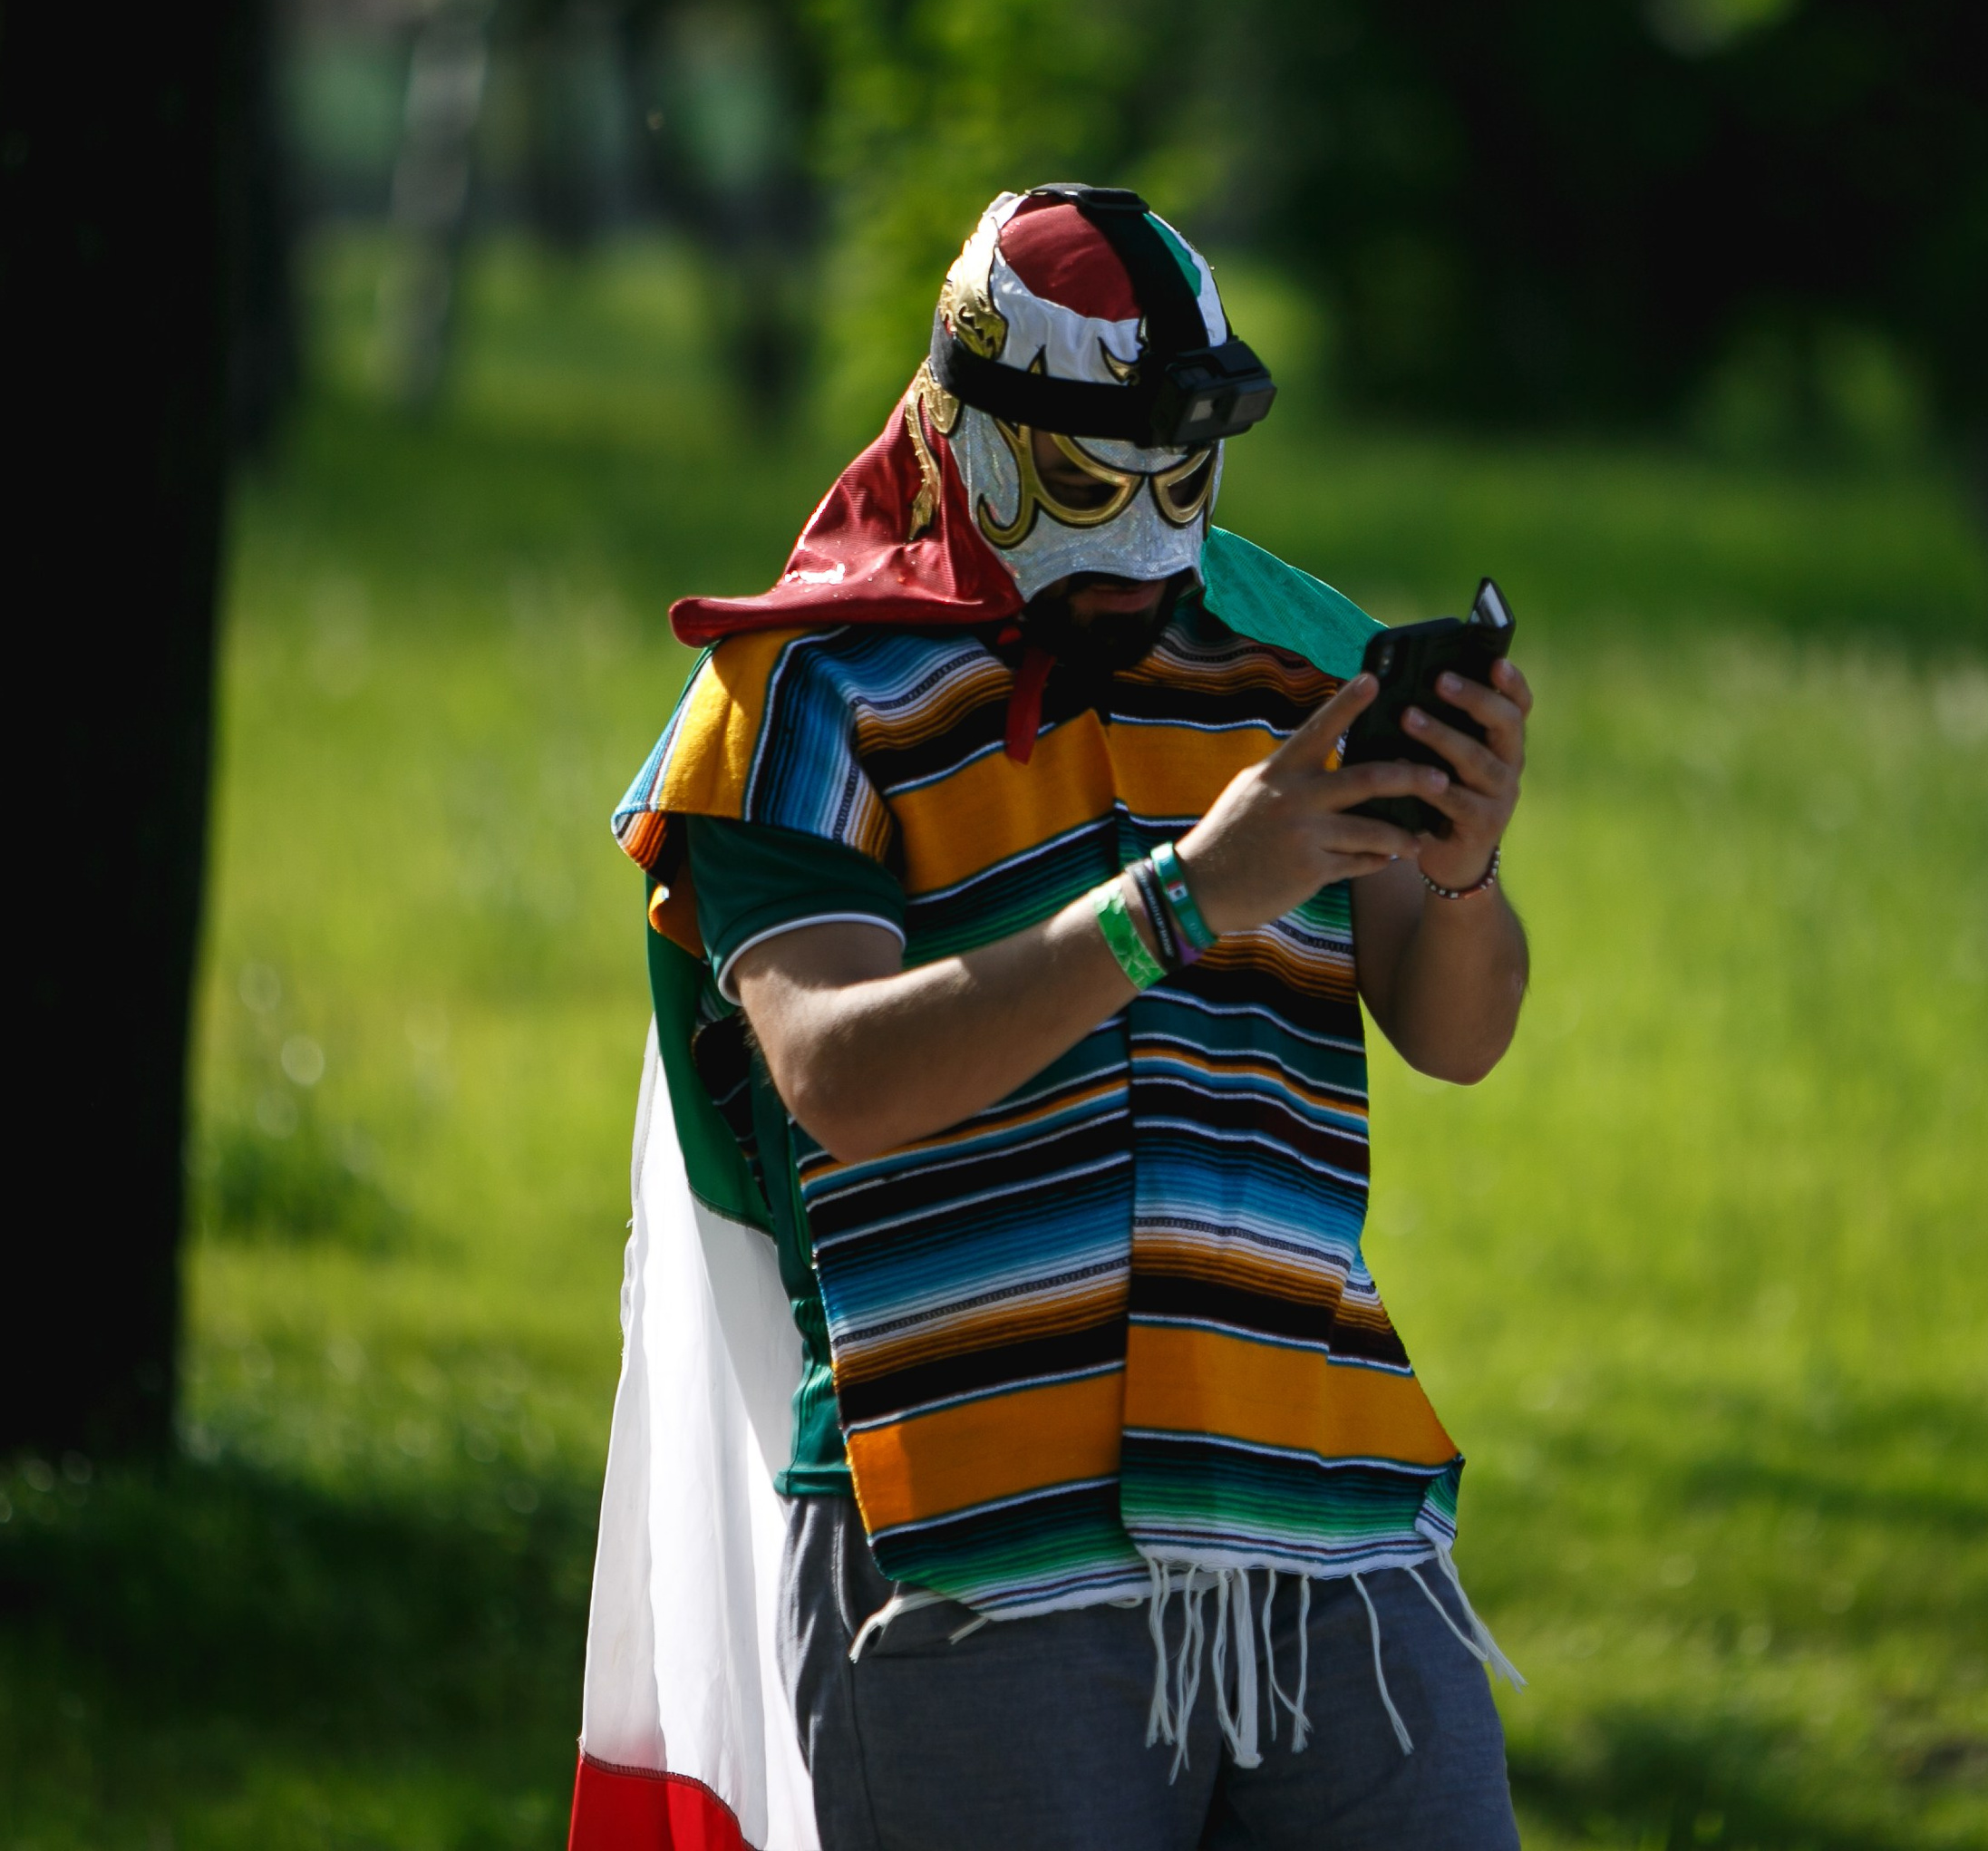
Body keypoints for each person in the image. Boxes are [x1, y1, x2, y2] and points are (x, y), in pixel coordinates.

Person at [570, 184, 1534, 1851]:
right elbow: (839, 1075)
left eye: (1186, 474)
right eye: (1090, 478)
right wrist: (1180, 900)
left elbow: (1458, 1031)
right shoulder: (798, 691)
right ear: (962, 427)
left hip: (1318, 1495)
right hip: (973, 1533)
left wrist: (1464, 867)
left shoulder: (1298, 655)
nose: (1148, 531)